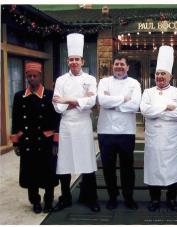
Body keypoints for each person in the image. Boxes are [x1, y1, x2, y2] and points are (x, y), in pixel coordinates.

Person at [52, 33, 100, 212]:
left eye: (77, 59)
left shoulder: (90, 79)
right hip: (66, 125)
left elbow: (92, 102)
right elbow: (57, 106)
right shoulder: (61, 80)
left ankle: (90, 198)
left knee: (87, 161)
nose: (74, 62)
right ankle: (65, 197)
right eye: (71, 59)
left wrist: (67, 100)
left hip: (83, 125)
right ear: (67, 61)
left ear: (83, 61)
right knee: (65, 163)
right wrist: (79, 101)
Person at [140, 46, 177, 212]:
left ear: (170, 76)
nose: (160, 77)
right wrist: (166, 107)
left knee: (173, 169)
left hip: (171, 139)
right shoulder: (148, 92)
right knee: (153, 168)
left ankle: (172, 199)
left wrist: (156, 111)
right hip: (153, 139)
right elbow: (145, 111)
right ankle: (155, 200)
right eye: (157, 73)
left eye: (163, 74)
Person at [10, 62, 59, 214]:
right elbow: (16, 119)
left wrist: (55, 142)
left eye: (34, 76)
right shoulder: (19, 96)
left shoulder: (50, 95)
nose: (32, 78)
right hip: (27, 140)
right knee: (31, 173)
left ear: (40, 76)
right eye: (29, 76)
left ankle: (49, 201)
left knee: (48, 173)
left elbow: (56, 120)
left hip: (45, 140)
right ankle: (35, 201)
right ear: (26, 77)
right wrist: (15, 143)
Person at [97, 54, 141, 210]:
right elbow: (102, 101)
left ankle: (128, 197)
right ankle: (112, 197)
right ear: (112, 66)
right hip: (105, 131)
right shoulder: (104, 81)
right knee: (108, 168)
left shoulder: (134, 83)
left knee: (127, 168)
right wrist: (124, 98)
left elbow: (135, 106)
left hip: (126, 132)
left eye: (122, 64)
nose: (119, 67)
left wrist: (113, 103)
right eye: (116, 64)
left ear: (127, 67)